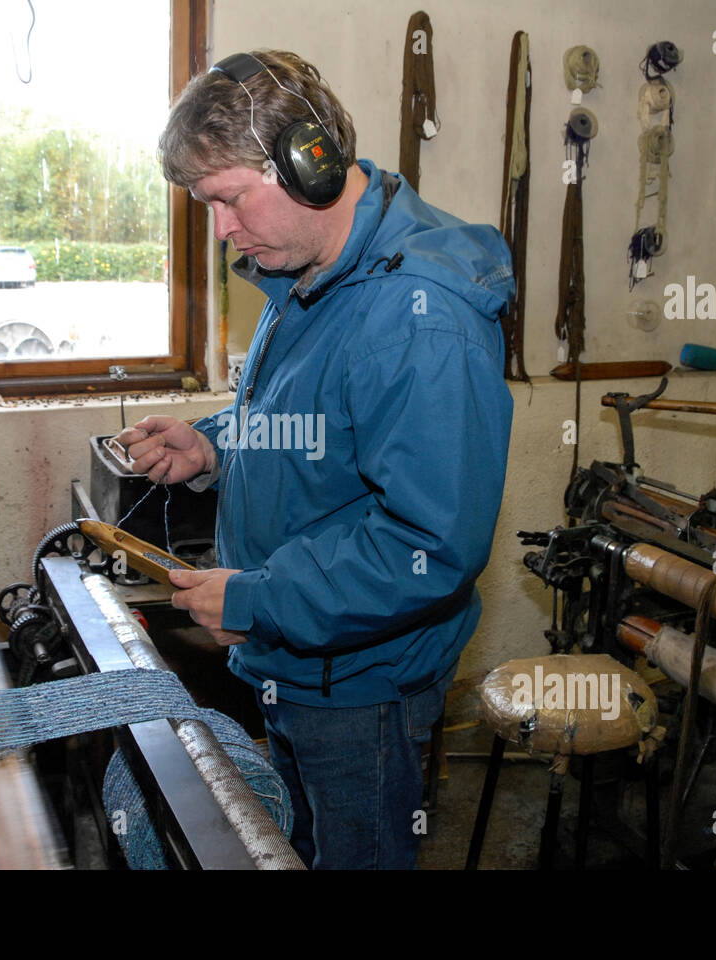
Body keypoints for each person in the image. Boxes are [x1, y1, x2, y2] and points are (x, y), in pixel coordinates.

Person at [113, 49, 514, 869]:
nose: (221, 229)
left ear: (308, 164)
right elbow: (314, 425)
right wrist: (213, 445)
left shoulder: (418, 319)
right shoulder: (311, 273)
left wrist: (257, 600)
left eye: (226, 200)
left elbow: (429, 548)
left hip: (358, 687)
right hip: (295, 656)